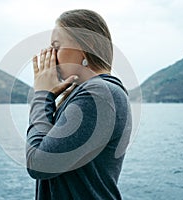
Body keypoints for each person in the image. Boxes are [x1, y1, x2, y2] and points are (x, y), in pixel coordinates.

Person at [26, 9, 132, 200]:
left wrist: (41, 95)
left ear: (87, 45)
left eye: (56, 47)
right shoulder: (96, 92)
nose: (51, 55)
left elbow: (38, 164)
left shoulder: (99, 94)